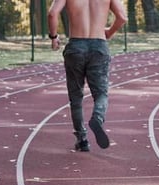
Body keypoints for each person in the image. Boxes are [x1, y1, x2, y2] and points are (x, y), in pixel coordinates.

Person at [48, 0, 127, 151]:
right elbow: (122, 17)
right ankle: (97, 118)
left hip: (76, 46)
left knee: (76, 97)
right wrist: (109, 32)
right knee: (101, 94)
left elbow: (52, 13)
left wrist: (53, 37)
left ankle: (82, 140)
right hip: (99, 46)